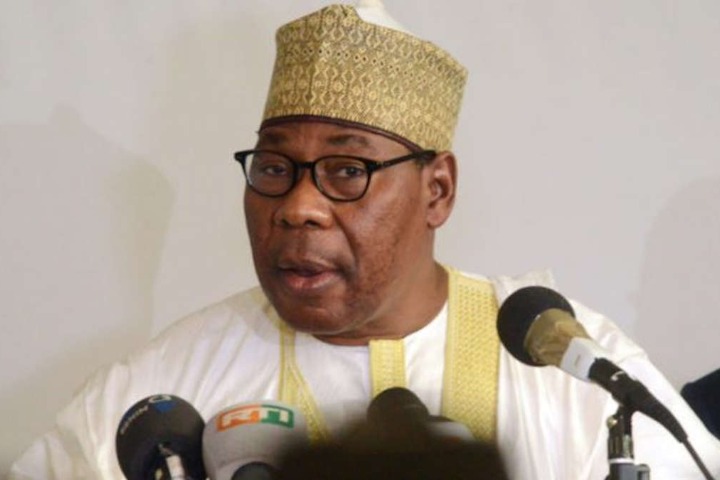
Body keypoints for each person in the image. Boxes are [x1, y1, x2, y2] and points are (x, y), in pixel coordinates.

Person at [9, 2, 720, 479]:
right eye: (275, 169)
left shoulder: (570, 370)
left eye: (347, 171)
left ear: (437, 190)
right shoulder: (159, 394)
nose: (299, 209)